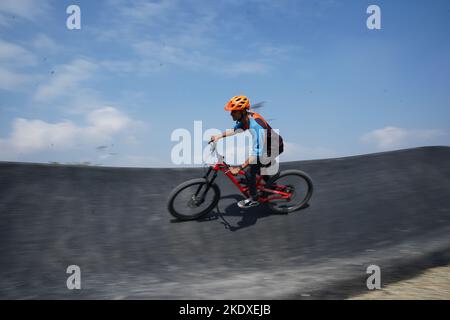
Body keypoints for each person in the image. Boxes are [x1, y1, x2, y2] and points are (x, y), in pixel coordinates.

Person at [209, 95, 284, 209]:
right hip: (265, 146)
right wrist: (218, 136)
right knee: (256, 168)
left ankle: (253, 199)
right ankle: (269, 186)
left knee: (250, 171)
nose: (231, 114)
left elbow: (256, 153)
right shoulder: (245, 119)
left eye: (233, 112)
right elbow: (235, 130)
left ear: (242, 111)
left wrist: (240, 168)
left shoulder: (256, 125)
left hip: (273, 147)